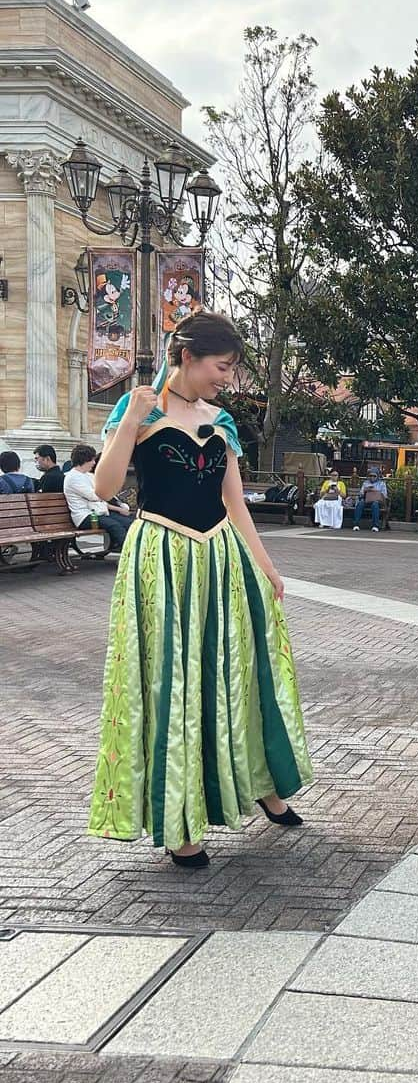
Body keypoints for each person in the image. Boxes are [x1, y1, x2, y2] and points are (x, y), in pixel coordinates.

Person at [87, 312, 313, 868]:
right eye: (222, 367)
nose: (227, 379)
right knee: (174, 682)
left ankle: (259, 781)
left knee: (234, 673)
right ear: (186, 356)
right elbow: (104, 487)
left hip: (220, 558)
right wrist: (132, 418)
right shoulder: (137, 408)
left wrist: (268, 567)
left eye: (232, 370)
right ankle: (179, 821)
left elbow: (235, 503)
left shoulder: (223, 420)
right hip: (159, 557)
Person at [63, 444, 133, 550]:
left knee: (129, 523)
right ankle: (128, 555)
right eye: (92, 460)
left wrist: (118, 507)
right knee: (115, 526)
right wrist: (106, 492)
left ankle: (137, 551)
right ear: (84, 460)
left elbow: (102, 495)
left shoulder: (88, 475)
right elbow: (95, 496)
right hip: (84, 517)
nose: (94, 463)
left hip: (99, 513)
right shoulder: (72, 478)